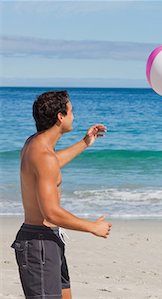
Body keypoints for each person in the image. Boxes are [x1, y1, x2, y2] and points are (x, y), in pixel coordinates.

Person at [10, 90, 112, 299]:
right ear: (60, 116)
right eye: (71, 111)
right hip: (39, 244)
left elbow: (51, 164)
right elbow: (51, 213)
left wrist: (85, 142)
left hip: (47, 241)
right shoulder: (43, 155)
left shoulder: (35, 144)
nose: (74, 116)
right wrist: (92, 227)